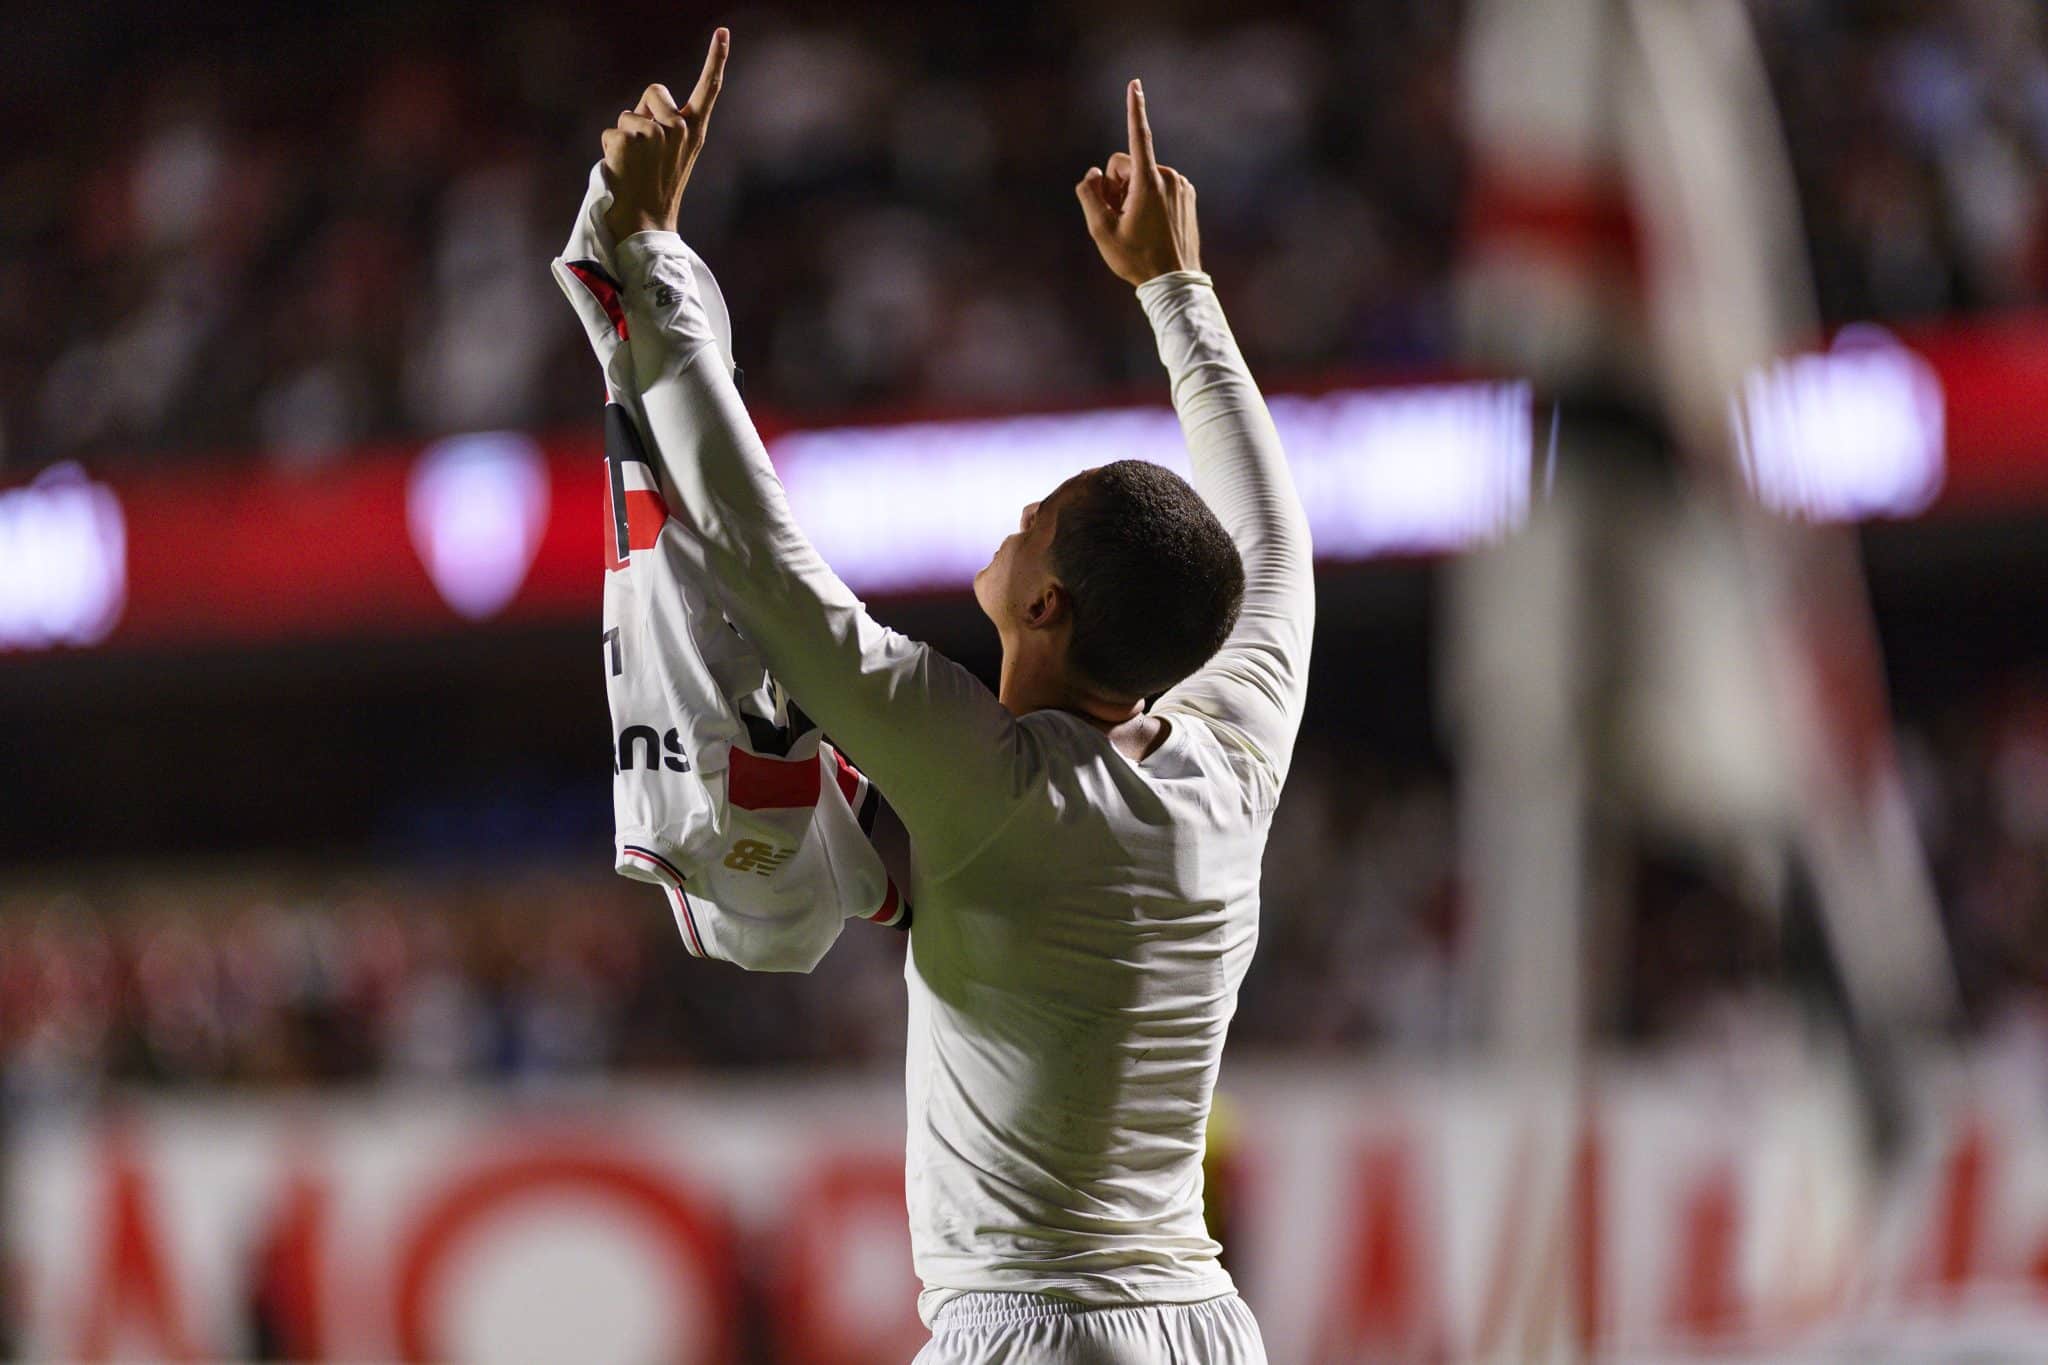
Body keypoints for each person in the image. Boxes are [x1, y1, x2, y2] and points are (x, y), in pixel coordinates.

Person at [595, 28, 1310, 1363]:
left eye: (1035, 519)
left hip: (1037, 1334)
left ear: (1048, 605)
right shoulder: (1232, 752)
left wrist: (646, 266)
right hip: (1206, 1329)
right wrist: (1178, 293)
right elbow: (1276, 546)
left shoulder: (991, 782)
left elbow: (764, 563)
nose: (1012, 518)